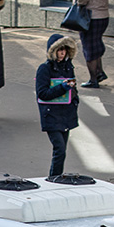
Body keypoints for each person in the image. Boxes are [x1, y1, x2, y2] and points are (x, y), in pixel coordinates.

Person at [35, 33, 80, 178]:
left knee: (62, 150)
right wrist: (63, 88)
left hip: (66, 114)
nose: (62, 53)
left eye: (64, 50)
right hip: (51, 115)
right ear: (52, 51)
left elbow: (73, 88)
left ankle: (55, 177)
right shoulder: (44, 68)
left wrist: (74, 97)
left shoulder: (68, 67)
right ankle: (53, 178)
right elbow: (42, 93)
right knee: (59, 149)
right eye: (59, 50)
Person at [73, 0, 113, 88]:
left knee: (89, 47)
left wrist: (76, 0)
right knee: (96, 43)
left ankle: (93, 79)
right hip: (103, 17)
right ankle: (100, 72)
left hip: (90, 17)